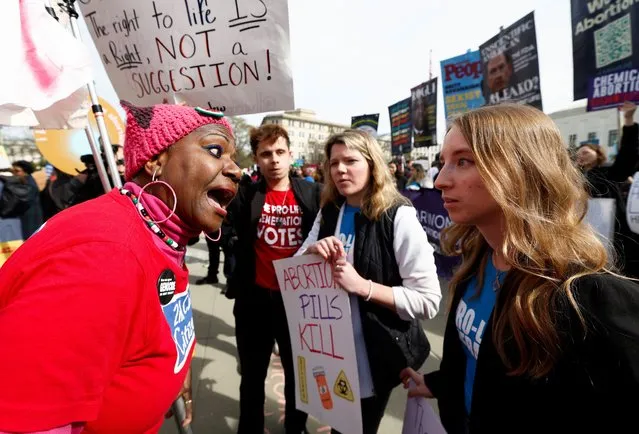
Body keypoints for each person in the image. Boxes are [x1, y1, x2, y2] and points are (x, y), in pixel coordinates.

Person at [0, 102, 241, 433]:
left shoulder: (164, 236)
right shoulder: (105, 256)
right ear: (156, 159)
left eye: (234, 158)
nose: (237, 170)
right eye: (215, 150)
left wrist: (173, 369)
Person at [401, 104, 639, 433]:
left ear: (520, 168)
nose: (441, 180)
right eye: (444, 162)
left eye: (463, 161)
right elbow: (481, 359)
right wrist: (441, 383)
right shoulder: (478, 256)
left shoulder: (588, 296)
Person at [297, 130, 441, 434]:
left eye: (350, 160)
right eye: (334, 163)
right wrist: (312, 251)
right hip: (330, 350)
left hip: (374, 357)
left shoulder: (399, 216)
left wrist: (364, 287)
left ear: (372, 164)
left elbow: (428, 300)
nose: (340, 170)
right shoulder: (330, 210)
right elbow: (297, 264)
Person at [228, 124, 322, 434]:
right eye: (266, 154)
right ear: (256, 158)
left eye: (280, 152)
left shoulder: (312, 194)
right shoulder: (246, 194)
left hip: (298, 303)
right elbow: (227, 230)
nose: (274, 160)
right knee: (252, 376)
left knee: (300, 375)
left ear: (291, 155)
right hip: (255, 300)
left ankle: (296, 427)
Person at [11, 160, 43, 239]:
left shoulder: (30, 184)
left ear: (26, 172)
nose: (14, 173)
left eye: (17, 171)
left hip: (31, 221)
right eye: (13, 171)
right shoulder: (23, 182)